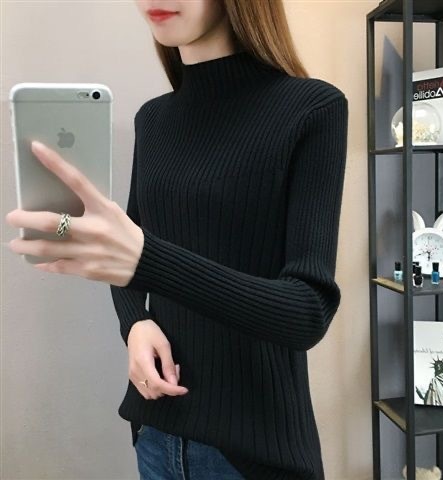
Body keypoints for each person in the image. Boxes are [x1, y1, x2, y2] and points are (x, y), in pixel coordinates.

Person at [6, 0, 348, 478]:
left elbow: (307, 312)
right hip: (156, 434)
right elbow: (128, 248)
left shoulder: (313, 108)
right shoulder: (153, 120)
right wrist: (135, 323)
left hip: (252, 453)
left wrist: (145, 259)